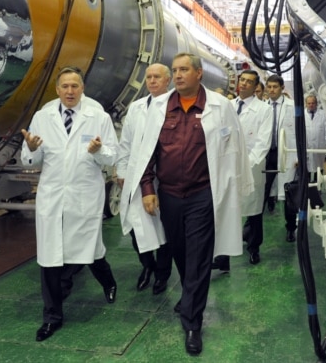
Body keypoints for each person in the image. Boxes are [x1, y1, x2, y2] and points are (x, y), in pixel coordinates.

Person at [125, 52, 252, 355]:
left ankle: (192, 323)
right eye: (175, 70)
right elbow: (146, 152)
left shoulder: (219, 107)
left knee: (197, 257)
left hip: (203, 194)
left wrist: (238, 187)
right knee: (180, 252)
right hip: (169, 195)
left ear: (198, 73)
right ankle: (189, 295)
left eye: (184, 70)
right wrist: (147, 188)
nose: (178, 75)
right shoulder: (160, 108)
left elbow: (235, 148)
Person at [20, 66, 118, 342]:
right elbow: (29, 161)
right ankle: (52, 317)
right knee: (50, 256)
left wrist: (99, 150)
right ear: (57, 89)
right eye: (65, 86)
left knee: (90, 250)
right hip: (53, 196)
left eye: (75, 86)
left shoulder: (98, 117)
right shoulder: (42, 117)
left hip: (84, 194)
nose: (70, 91)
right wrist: (32, 149)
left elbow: (112, 157)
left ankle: (109, 282)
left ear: (82, 88)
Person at [116, 63, 173, 294]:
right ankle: (148, 265)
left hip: (163, 178)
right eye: (148, 77)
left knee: (164, 229)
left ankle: (162, 274)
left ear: (167, 80)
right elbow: (126, 143)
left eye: (157, 77)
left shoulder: (173, 105)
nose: (152, 81)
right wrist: (121, 171)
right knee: (135, 225)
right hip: (135, 177)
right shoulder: (137, 107)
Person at [212, 69, 272, 270]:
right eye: (242, 80)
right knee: (226, 211)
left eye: (249, 81)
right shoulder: (228, 105)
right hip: (227, 166)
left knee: (253, 213)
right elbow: (220, 132)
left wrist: (246, 164)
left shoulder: (264, 109)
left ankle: (254, 248)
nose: (244, 84)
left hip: (251, 168)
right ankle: (223, 259)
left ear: (256, 87)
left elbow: (263, 142)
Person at [263, 74, 298, 242]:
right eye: (269, 87)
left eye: (275, 87)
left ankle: (291, 228)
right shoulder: (262, 107)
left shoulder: (292, 106)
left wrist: (299, 156)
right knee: (261, 193)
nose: (271, 90)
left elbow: (301, 133)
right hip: (267, 155)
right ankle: (251, 232)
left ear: (282, 88)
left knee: (288, 194)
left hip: (286, 154)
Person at [305, 94, 326, 181]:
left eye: (313, 103)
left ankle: (318, 183)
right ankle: (307, 183)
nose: (311, 105)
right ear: (306, 104)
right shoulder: (303, 114)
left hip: (319, 145)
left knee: (319, 166)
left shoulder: (323, 114)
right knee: (307, 165)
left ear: (316, 103)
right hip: (307, 144)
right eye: (309, 103)